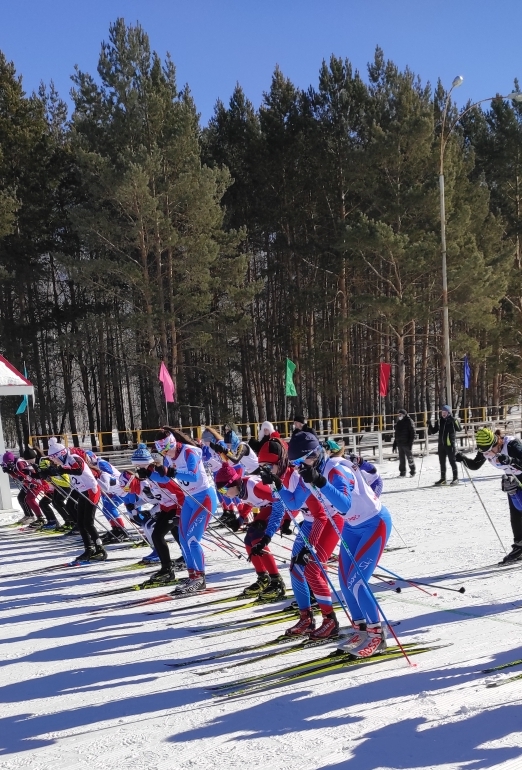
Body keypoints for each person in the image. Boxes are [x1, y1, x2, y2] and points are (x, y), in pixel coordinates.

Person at [280, 430, 392, 658]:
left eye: (301, 461)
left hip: (374, 523)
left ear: (315, 454)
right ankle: (361, 630)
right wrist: (276, 484)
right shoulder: (310, 471)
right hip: (352, 527)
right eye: (295, 464)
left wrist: (320, 482)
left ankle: (377, 635)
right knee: (344, 581)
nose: (299, 467)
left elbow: (343, 504)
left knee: (357, 581)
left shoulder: (337, 469)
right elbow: (293, 502)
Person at [258, 438, 342, 639]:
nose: (266, 471)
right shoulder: (276, 479)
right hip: (310, 522)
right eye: (262, 467)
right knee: (295, 569)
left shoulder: (297, 477)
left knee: (311, 568)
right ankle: (306, 618)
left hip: (327, 522)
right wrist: (267, 537)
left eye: (269, 466)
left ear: (281, 462)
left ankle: (329, 620)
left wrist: (309, 545)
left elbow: (321, 515)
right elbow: (279, 509)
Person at [153, 427, 218, 594]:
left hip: (204, 498)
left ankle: (200, 579)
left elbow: (193, 475)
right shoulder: (168, 456)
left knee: (193, 539)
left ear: (173, 443)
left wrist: (171, 471)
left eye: (167, 450)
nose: (166, 454)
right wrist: (148, 474)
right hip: (189, 500)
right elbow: (165, 478)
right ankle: (192, 575)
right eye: (163, 452)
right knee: (183, 538)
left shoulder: (189, 452)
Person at [215, 462, 286, 602]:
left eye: (224, 490)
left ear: (232, 483)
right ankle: (263, 578)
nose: (224, 494)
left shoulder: (254, 487)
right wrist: (240, 519)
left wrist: (273, 523)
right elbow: (250, 502)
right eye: (220, 491)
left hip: (282, 509)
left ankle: (277, 582)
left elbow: (281, 501)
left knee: (257, 538)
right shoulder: (240, 489)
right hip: (268, 507)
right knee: (249, 540)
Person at [456, 428, 522, 563]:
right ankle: (519, 545)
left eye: (490, 450)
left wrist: (511, 460)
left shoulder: (512, 445)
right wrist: (463, 459)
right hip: (513, 478)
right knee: (515, 513)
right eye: (484, 452)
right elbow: (475, 465)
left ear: (497, 442)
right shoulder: (485, 450)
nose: (488, 454)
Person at [41, 438, 107, 562]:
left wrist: (60, 470)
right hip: (82, 491)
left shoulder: (73, 458)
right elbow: (59, 471)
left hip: (91, 490)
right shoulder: (64, 462)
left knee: (88, 523)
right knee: (80, 523)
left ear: (60, 455)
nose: (53, 461)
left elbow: (79, 470)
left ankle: (100, 549)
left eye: (54, 458)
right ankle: (88, 549)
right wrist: (46, 474)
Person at [428, 405, 458, 486]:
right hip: (441, 445)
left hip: (450, 444)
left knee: (452, 461)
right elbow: (434, 431)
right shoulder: (439, 421)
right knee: (442, 462)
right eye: (442, 412)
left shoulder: (452, 420)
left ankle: (455, 478)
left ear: (449, 413)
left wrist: (455, 421)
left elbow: (459, 429)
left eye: (445, 412)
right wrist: (429, 425)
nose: (443, 414)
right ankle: (443, 479)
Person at [393, 409, 416, 478]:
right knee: (401, 459)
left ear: (404, 415)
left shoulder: (409, 421)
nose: (399, 416)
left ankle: (412, 471)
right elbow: (396, 434)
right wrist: (395, 443)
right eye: (399, 414)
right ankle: (402, 472)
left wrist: (410, 443)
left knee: (410, 458)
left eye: (400, 414)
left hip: (406, 443)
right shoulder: (399, 422)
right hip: (400, 443)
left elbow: (413, 433)